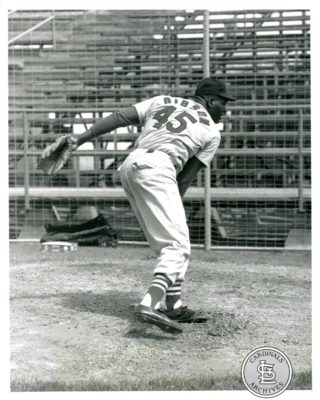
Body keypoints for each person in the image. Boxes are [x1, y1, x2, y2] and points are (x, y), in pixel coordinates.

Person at [70, 77, 236, 334]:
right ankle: (150, 303)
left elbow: (120, 117)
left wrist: (80, 139)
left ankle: (174, 304)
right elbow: (184, 180)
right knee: (177, 244)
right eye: (224, 103)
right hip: (160, 169)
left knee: (171, 241)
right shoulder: (213, 132)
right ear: (211, 100)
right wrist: (171, 207)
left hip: (130, 165)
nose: (226, 109)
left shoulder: (162, 100)